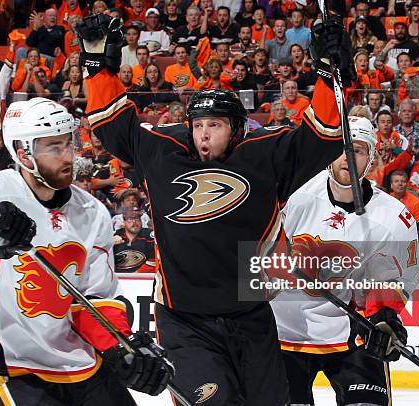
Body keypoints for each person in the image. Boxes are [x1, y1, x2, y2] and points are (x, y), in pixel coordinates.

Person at [78, 13, 354, 405]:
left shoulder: (265, 157)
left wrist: (329, 74)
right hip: (184, 322)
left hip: (252, 317)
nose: (204, 134)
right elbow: (113, 126)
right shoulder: (163, 152)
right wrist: (97, 68)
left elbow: (323, 135)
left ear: (238, 128)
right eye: (199, 124)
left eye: (216, 125)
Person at [0, 97, 172, 405]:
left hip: (78, 365)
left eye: (68, 144)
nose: (68, 155)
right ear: (23, 153)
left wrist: (121, 347)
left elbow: (95, 300)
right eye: (53, 147)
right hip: (5, 366)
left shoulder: (92, 212)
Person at [271, 116, 419, 406]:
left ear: (372, 158)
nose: (347, 158)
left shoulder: (392, 217)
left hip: (353, 331)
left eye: (358, 150)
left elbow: (390, 277)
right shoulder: (294, 195)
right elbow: (260, 246)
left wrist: (384, 315)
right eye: (341, 149)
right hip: (285, 331)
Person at [114, 206, 155, 273]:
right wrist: (109, 244)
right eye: (130, 219)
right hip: (118, 279)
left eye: (137, 218)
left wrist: (135, 275)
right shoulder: (115, 237)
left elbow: (154, 261)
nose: (134, 222)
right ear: (124, 222)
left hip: (145, 279)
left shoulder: (149, 236)